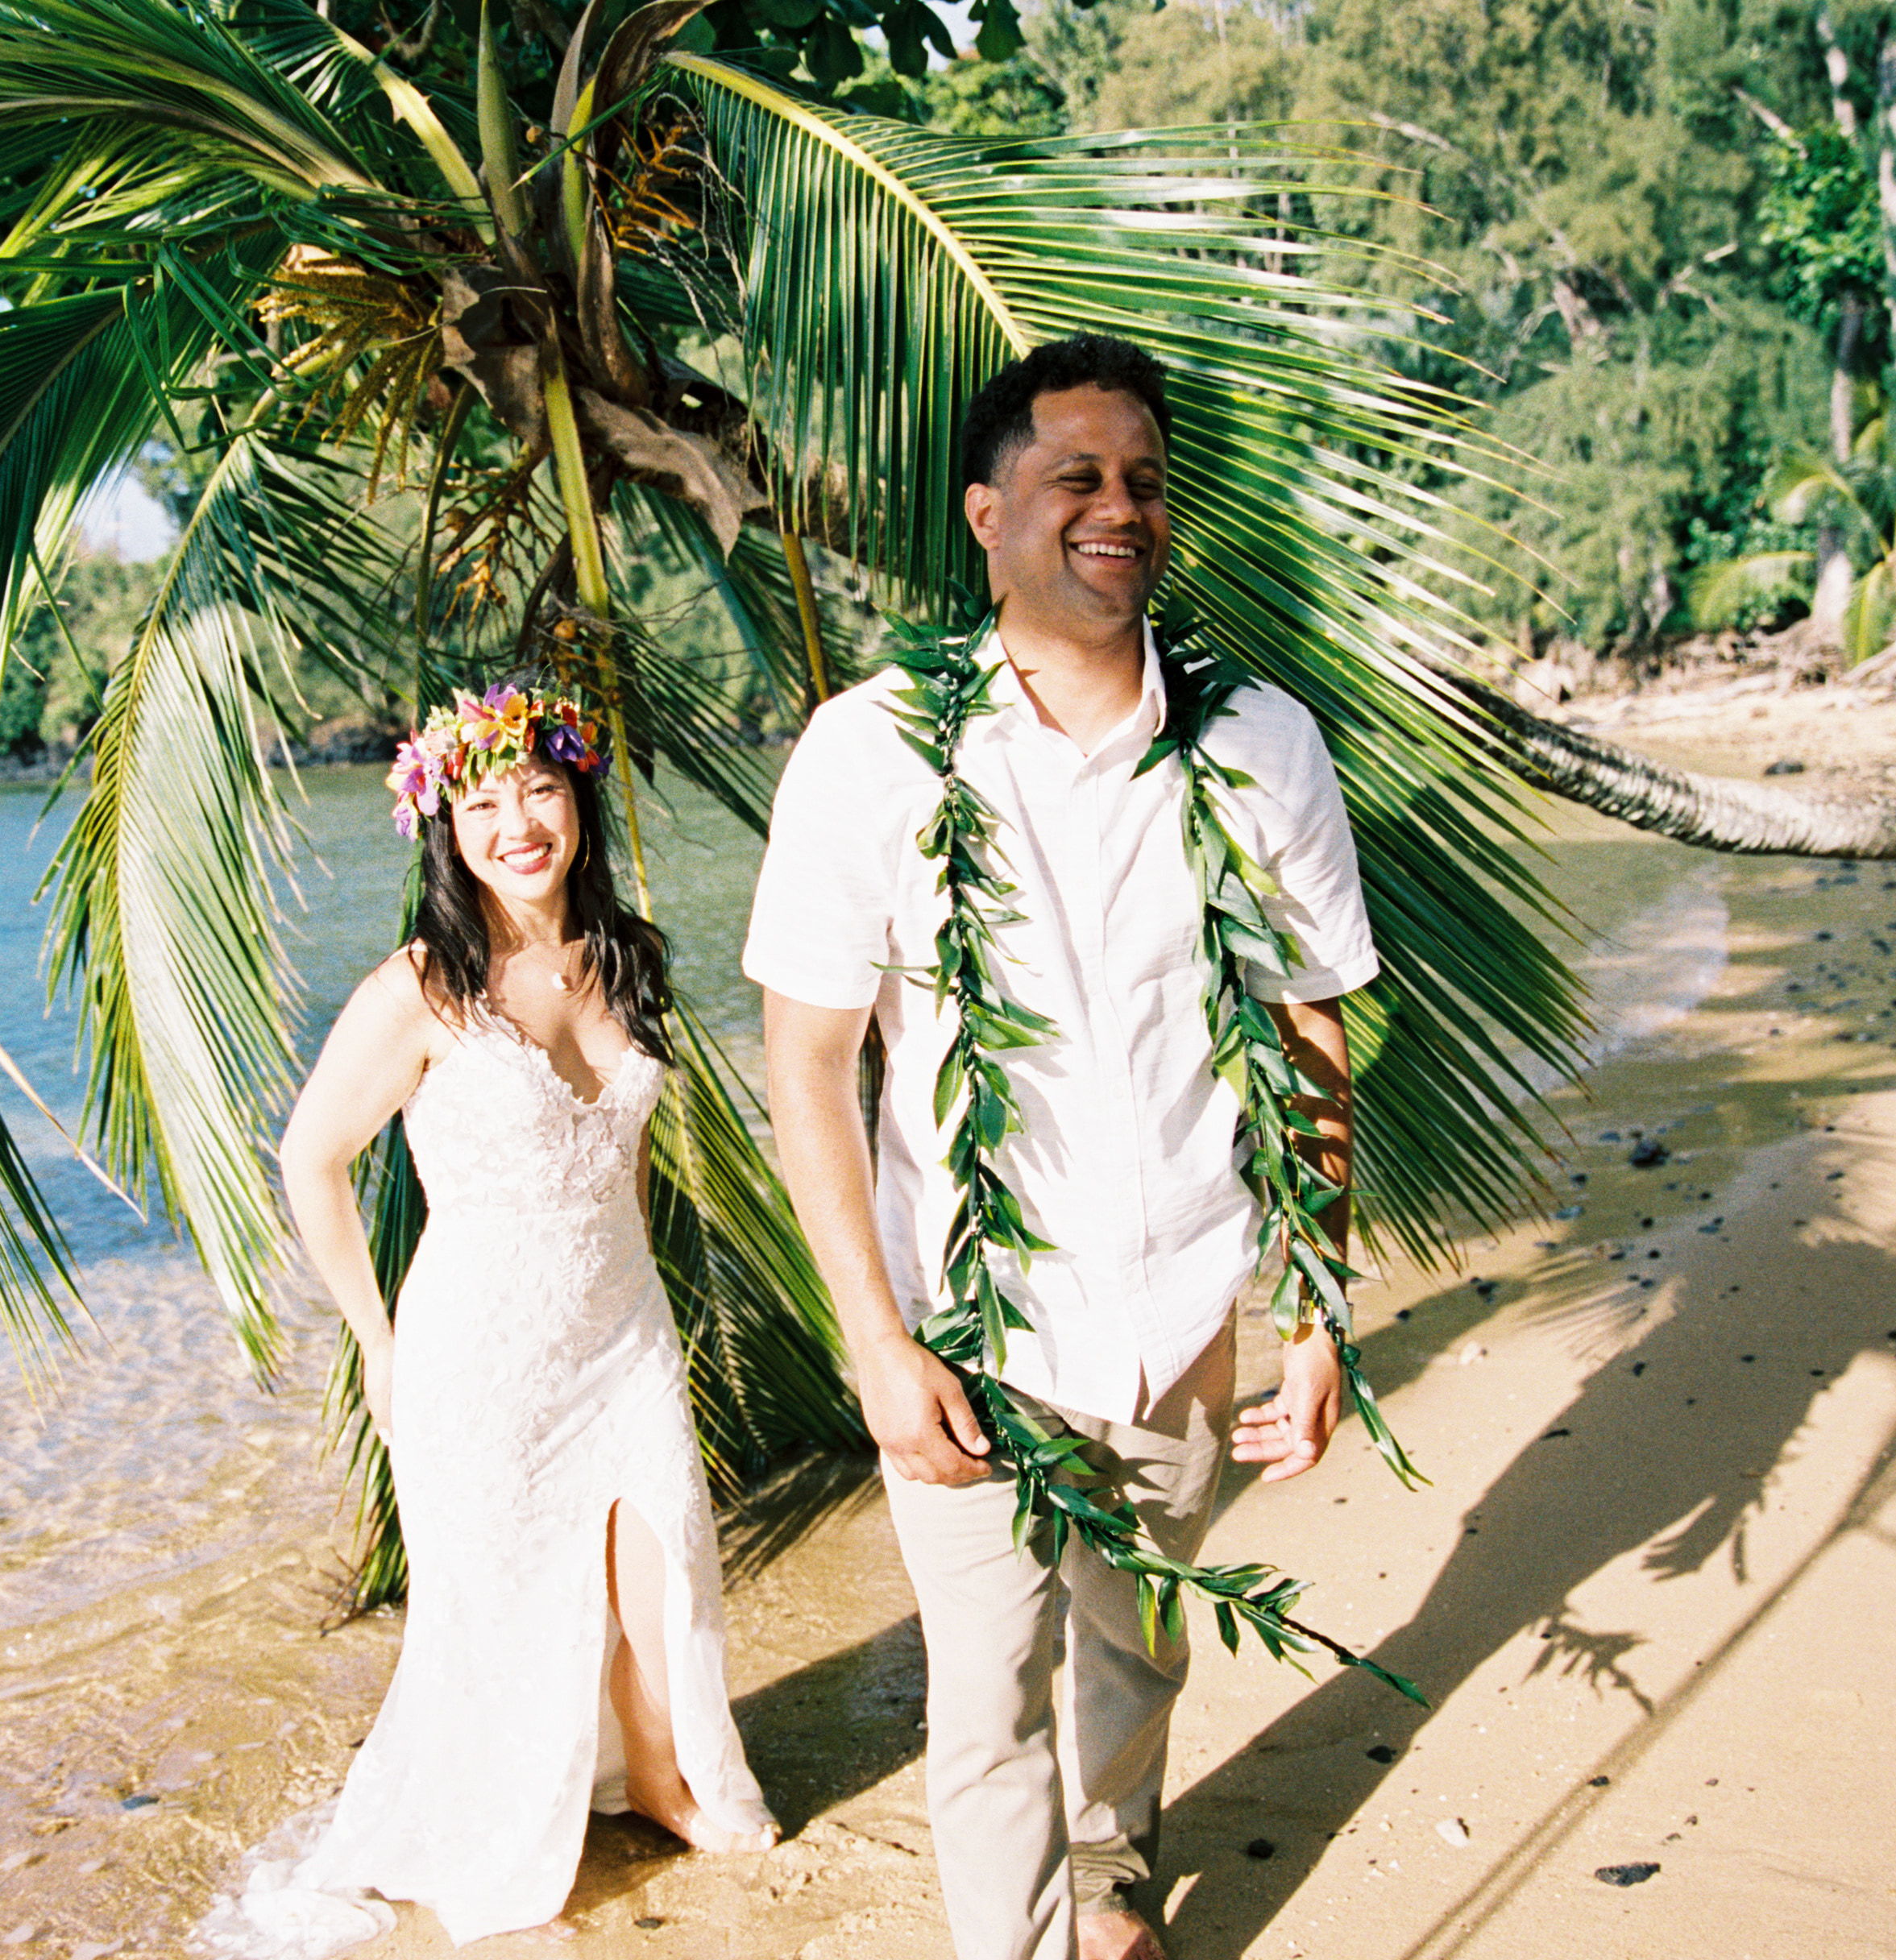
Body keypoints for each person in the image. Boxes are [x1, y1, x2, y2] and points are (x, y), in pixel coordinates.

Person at [744, 336, 1381, 1960]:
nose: (1119, 507)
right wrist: (874, 1345)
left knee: (1138, 1644)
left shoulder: (1261, 744)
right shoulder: (871, 752)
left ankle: (1110, 1883)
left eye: (1144, 480)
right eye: (1075, 476)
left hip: (1183, 1307)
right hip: (968, 1332)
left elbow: (1309, 1037)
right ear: (987, 514)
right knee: (984, 1699)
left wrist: (1314, 1311)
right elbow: (806, 1062)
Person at [272, 682, 777, 1949]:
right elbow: (310, 1159)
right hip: (478, 1348)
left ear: (577, 800)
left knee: (666, 1564)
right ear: (444, 826)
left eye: (539, 790)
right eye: (483, 803)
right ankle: (503, 1807)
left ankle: (660, 1776)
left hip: (622, 1330)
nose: (517, 825)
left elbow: (627, 1158)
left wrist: (642, 1295)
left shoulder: (625, 956)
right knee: (496, 1603)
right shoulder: (421, 988)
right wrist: (376, 1340)